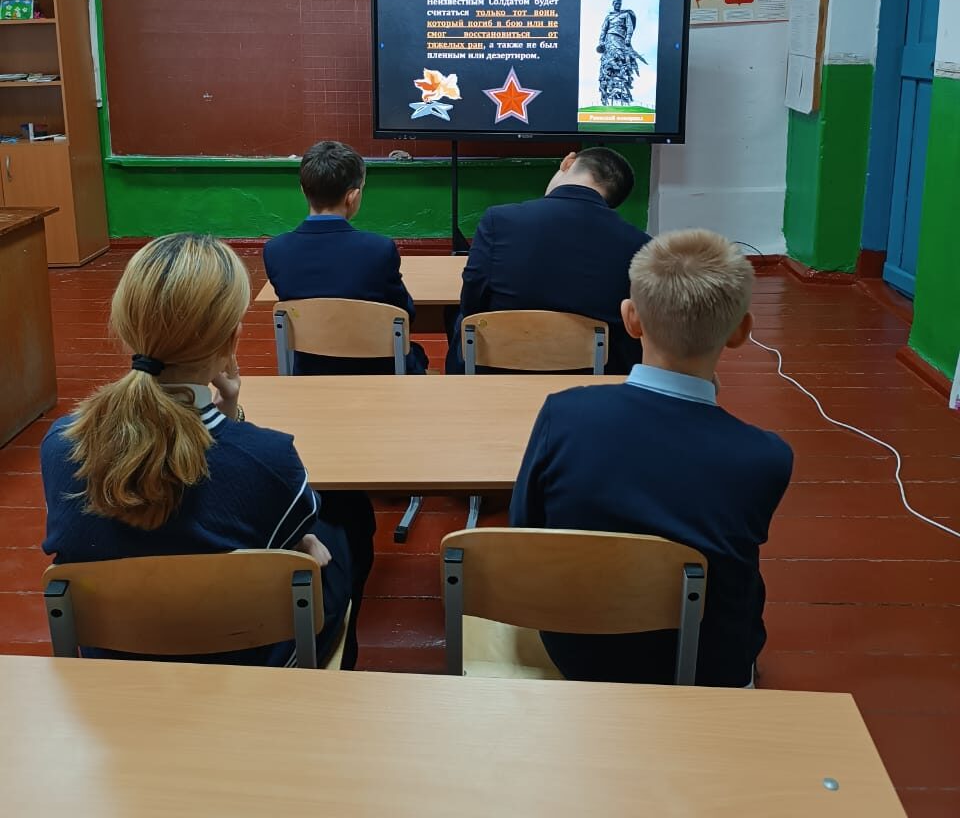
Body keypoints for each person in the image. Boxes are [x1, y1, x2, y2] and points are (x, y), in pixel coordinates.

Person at [41, 233, 368, 668]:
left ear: (127, 326)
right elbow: (250, 497)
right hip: (247, 665)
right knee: (343, 525)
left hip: (117, 664)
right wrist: (301, 543)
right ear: (231, 342)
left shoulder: (60, 445)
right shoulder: (269, 459)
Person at [509, 228, 793, 687]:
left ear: (631, 318)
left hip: (575, 651)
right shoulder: (767, 457)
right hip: (705, 669)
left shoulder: (564, 414)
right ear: (742, 331)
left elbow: (524, 532)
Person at [446, 146, 649, 374]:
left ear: (568, 162)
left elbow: (472, 302)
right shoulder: (639, 244)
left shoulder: (499, 220)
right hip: (592, 375)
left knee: (458, 318)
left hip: (499, 368)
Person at [264, 139, 428, 376]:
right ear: (352, 197)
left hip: (310, 372)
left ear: (303, 190)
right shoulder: (379, 249)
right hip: (379, 372)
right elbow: (404, 316)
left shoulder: (276, 251)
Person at [597, 0, 646, 107]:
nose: (618, 5)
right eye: (616, 3)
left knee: (621, 60)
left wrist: (628, 38)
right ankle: (607, 90)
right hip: (609, 39)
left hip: (620, 39)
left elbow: (629, 27)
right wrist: (601, 42)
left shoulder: (625, 15)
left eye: (619, 3)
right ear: (613, 4)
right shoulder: (609, 17)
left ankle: (624, 88)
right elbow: (604, 30)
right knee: (608, 61)